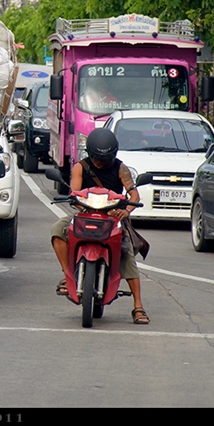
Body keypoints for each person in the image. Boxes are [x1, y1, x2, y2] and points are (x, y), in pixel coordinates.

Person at [50, 128, 150, 325]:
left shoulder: (121, 168)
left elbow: (134, 196)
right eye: (98, 159)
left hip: (113, 217)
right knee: (57, 231)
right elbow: (75, 194)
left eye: (107, 159)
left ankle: (138, 305)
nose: (102, 163)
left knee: (126, 252)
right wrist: (80, 204)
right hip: (86, 213)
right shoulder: (81, 167)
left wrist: (125, 211)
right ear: (90, 154)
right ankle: (67, 275)